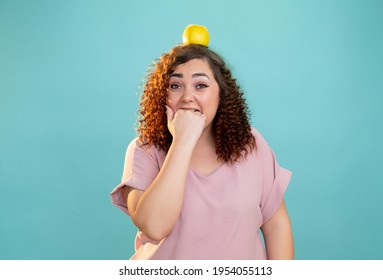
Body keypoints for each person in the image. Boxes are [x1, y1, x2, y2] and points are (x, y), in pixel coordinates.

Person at [110, 29, 294, 260]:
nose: (187, 96)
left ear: (221, 95)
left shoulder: (251, 144)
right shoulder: (144, 150)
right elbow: (154, 227)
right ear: (162, 95)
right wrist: (183, 141)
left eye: (201, 86)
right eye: (175, 86)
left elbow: (276, 225)